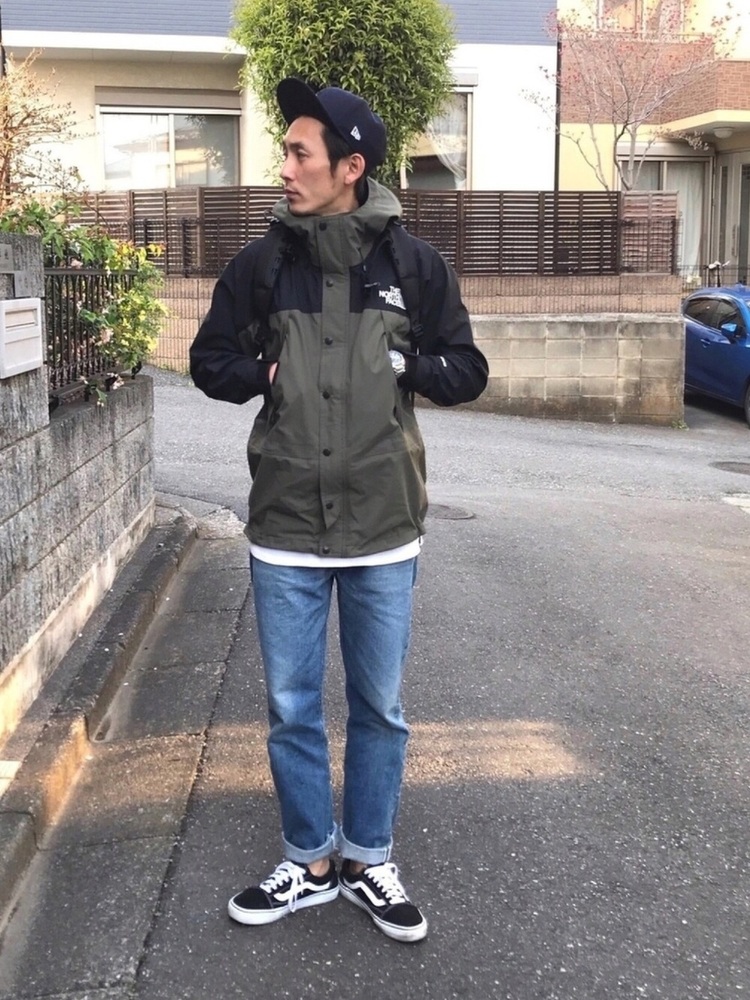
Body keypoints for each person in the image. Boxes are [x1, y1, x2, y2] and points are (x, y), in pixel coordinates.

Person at [189, 77, 488, 944]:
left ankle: (367, 858)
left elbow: (467, 369)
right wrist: (263, 374)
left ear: (350, 167)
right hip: (285, 524)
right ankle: (309, 860)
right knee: (291, 707)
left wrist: (406, 369)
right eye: (285, 151)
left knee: (378, 707)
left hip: (383, 526)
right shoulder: (261, 266)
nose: (283, 167)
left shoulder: (413, 268)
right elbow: (208, 360)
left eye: (298, 152)